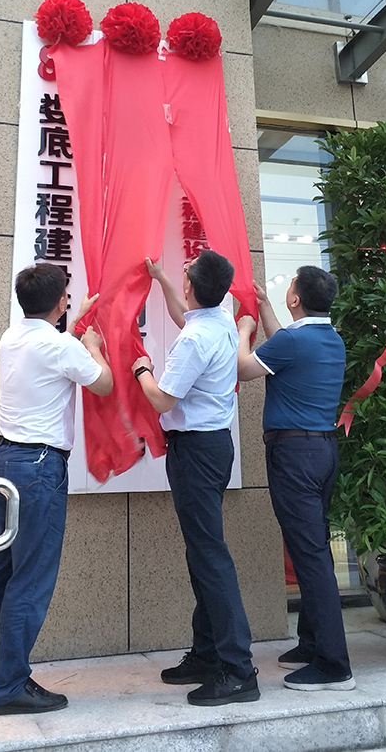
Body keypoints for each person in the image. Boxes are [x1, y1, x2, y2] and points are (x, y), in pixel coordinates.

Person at [0, 263, 113, 715]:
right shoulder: (62, 347)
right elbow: (104, 384)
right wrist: (93, 346)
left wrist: (74, 323)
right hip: (39, 468)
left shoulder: (12, 338)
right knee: (30, 577)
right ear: (60, 301)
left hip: (2, 461)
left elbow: (54, 344)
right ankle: (9, 688)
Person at [132, 250, 259, 707]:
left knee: (209, 556)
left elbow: (163, 400)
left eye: (185, 274)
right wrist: (161, 278)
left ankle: (238, 670)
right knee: (202, 553)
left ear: (193, 286)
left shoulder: (195, 339)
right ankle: (208, 654)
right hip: (214, 447)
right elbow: (182, 313)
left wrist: (141, 369)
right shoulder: (218, 319)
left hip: (196, 453)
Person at [236, 266, 355, 692]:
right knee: (313, 547)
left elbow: (244, 368)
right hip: (321, 452)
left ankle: (334, 664)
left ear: (296, 300)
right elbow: (282, 346)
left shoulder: (292, 341)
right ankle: (312, 642)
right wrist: (265, 306)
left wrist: (244, 329)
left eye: (288, 287)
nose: (285, 290)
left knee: (310, 555)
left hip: (294, 455)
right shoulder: (329, 339)